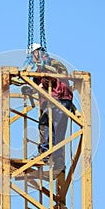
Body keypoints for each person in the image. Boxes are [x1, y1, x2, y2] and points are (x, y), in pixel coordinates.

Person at [30, 43, 73, 171]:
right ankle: (58, 160)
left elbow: (49, 80)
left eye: (32, 55)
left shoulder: (44, 65)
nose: (31, 58)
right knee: (59, 131)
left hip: (54, 98)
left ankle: (45, 154)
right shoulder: (54, 63)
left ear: (36, 53)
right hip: (65, 100)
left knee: (46, 125)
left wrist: (39, 85)